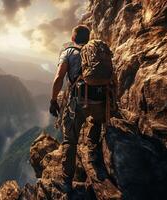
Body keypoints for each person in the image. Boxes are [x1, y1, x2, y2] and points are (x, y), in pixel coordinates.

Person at [49, 25, 107, 192]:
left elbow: (59, 78)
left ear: (73, 38)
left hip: (79, 102)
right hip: (101, 101)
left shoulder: (68, 52)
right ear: (88, 38)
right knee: (96, 123)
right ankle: (93, 154)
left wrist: (54, 100)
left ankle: (67, 183)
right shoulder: (98, 53)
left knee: (70, 139)